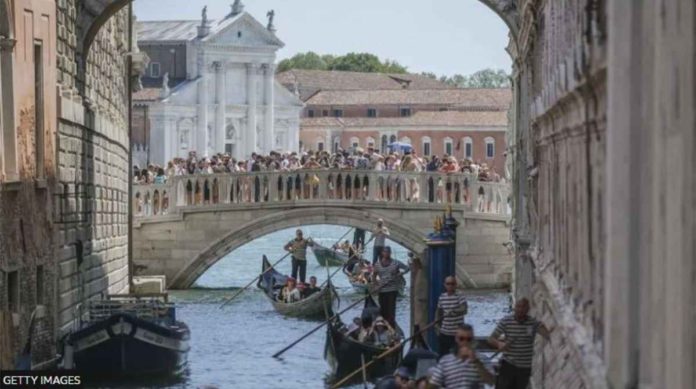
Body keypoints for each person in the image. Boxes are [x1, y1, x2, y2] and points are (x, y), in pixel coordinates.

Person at [488, 298, 551, 389]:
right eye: (518, 307)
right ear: (515, 308)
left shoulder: (533, 323)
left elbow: (547, 335)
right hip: (508, 365)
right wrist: (499, 344)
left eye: (523, 307)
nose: (520, 310)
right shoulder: (506, 321)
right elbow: (491, 339)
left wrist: (547, 329)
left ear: (528, 309)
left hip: (524, 368)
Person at [429, 324, 494, 388]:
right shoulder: (445, 360)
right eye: (461, 339)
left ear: (472, 340)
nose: (465, 342)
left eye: (468, 339)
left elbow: (491, 382)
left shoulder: (482, 358)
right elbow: (433, 384)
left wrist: (476, 361)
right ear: (456, 339)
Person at [372, 246, 408, 327]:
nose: (386, 253)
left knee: (391, 310)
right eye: (385, 252)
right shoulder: (377, 264)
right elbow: (374, 275)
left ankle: (391, 327)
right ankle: (384, 326)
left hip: (392, 290)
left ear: (390, 253)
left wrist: (399, 274)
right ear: (382, 253)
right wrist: (376, 285)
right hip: (382, 290)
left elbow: (407, 268)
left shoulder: (395, 263)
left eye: (388, 252)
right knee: (383, 310)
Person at [435, 276, 468, 357]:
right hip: (444, 333)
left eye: (452, 284)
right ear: (445, 285)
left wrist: (453, 311)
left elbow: (464, 309)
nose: (450, 286)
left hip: (457, 334)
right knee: (442, 357)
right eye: (448, 284)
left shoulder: (460, 296)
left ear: (455, 285)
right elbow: (438, 311)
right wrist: (436, 326)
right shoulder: (442, 297)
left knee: (458, 357)